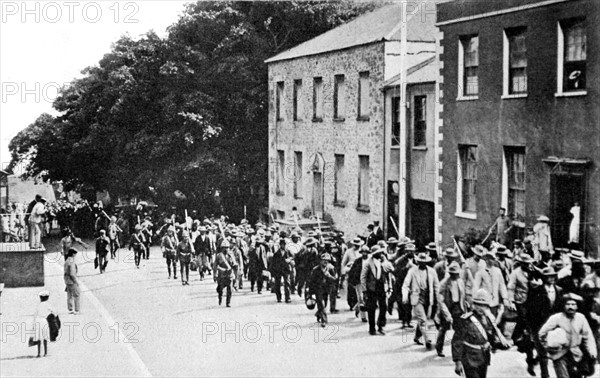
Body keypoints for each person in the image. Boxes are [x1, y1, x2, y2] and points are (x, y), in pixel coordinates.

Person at [452, 289, 511, 378]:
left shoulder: (488, 320)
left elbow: (491, 339)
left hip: (484, 358)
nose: (481, 307)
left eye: (484, 305)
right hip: (470, 359)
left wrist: (502, 345)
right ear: (474, 305)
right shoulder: (466, 320)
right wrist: (457, 362)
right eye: (478, 304)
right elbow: (457, 341)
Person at [538, 293, 597, 378]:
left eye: (573, 304)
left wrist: (592, 351)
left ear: (577, 306)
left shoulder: (581, 318)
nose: (570, 307)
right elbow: (542, 333)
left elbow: (587, 336)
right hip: (559, 354)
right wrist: (549, 346)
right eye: (567, 304)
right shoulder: (556, 318)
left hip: (576, 353)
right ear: (563, 306)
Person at [526, 266, 563, 378]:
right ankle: (545, 374)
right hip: (539, 324)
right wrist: (530, 327)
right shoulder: (537, 290)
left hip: (552, 325)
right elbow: (530, 309)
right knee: (542, 351)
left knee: (550, 348)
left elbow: (559, 307)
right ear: (544, 277)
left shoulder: (558, 290)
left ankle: (535, 361)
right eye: (548, 277)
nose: (551, 279)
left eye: (552, 276)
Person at [403, 252, 440, 349]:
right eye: (420, 262)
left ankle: (417, 336)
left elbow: (436, 286)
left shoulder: (432, 271)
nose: (422, 263)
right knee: (423, 320)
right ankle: (428, 340)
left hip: (428, 299)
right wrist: (405, 296)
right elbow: (406, 284)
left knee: (423, 319)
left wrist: (438, 299)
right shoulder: (412, 271)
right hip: (417, 298)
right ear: (417, 261)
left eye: (424, 262)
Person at [436, 261, 467, 357]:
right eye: (454, 274)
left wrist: (464, 307)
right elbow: (441, 301)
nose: (456, 275)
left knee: (459, 330)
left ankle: (458, 351)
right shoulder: (443, 284)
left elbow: (463, 296)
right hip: (447, 307)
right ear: (450, 274)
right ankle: (439, 348)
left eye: (457, 274)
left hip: (458, 308)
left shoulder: (460, 281)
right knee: (443, 329)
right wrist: (447, 315)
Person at [361, 246, 393, 335]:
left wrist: (390, 286)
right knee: (371, 308)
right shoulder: (368, 263)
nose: (381, 254)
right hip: (371, 288)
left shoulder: (384, 262)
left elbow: (388, 275)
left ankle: (381, 326)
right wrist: (364, 290)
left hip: (381, 286)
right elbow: (363, 277)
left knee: (384, 307)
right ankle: (372, 328)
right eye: (379, 253)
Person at [473, 250, 511, 321]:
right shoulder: (480, 273)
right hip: (484, 302)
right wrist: (476, 300)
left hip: (495, 301)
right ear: (487, 260)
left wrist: (505, 298)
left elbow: (502, 285)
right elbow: (476, 287)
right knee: (487, 322)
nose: (493, 261)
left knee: (496, 320)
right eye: (491, 259)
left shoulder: (497, 271)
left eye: (493, 259)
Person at [307, 253, 338, 327]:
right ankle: (324, 320)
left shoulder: (331, 268)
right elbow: (311, 281)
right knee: (321, 304)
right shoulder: (315, 270)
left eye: (327, 261)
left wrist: (329, 276)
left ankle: (318, 314)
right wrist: (310, 293)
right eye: (324, 260)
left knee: (325, 303)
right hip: (318, 289)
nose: (325, 262)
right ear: (320, 261)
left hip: (327, 289)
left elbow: (335, 279)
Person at [31, 290, 56, 358]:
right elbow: (55, 313)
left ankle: (39, 353)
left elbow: (35, 315)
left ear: (40, 298)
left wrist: (33, 325)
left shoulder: (38, 305)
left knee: (38, 337)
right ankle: (45, 353)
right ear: (47, 298)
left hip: (37, 321)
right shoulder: (48, 304)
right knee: (45, 336)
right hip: (44, 320)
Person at [348, 245, 370, 322]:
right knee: (361, 298)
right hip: (359, 282)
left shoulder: (370, 260)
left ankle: (357, 308)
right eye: (363, 252)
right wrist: (351, 281)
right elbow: (352, 272)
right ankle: (363, 316)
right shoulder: (357, 261)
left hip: (368, 281)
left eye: (366, 252)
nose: (364, 254)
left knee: (367, 298)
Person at [271, 239, 293, 303]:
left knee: (287, 283)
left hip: (286, 270)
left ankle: (288, 297)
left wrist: (289, 259)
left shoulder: (288, 251)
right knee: (277, 284)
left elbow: (293, 257)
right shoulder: (276, 253)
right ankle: (279, 297)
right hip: (278, 270)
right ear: (280, 245)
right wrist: (273, 273)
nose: (283, 245)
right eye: (282, 244)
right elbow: (273, 263)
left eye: (284, 244)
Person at [215, 239, 235, 307]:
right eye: (224, 247)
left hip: (229, 274)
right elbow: (215, 265)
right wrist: (215, 274)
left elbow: (234, 264)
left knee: (230, 289)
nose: (226, 249)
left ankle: (228, 302)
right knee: (220, 288)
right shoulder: (219, 256)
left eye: (227, 247)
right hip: (222, 274)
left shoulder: (231, 255)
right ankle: (220, 297)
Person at [64, 248, 80, 314]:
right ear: (73, 254)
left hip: (67, 280)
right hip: (72, 281)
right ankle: (76, 310)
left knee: (69, 295)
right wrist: (76, 281)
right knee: (76, 295)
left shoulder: (67, 260)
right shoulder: (72, 262)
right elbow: (72, 273)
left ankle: (70, 309)